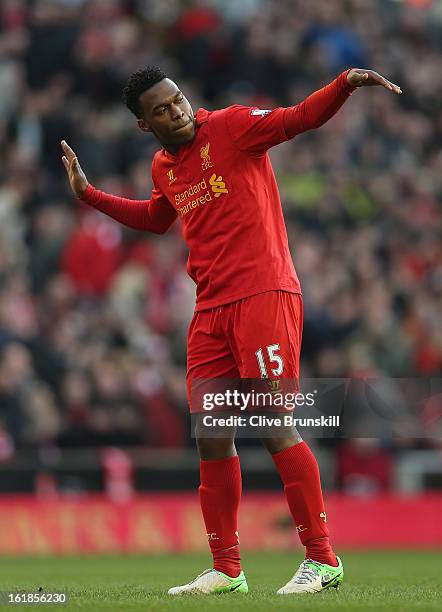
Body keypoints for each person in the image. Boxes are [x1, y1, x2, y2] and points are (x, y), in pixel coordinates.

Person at [61, 66, 401, 595]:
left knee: (273, 424)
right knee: (212, 438)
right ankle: (226, 569)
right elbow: (156, 219)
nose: (177, 110)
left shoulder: (233, 127)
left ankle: (323, 559)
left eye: (177, 99)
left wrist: (344, 84)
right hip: (210, 310)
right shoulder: (162, 166)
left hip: (264, 294)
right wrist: (91, 196)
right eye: (162, 109)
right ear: (144, 125)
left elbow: (299, 119)